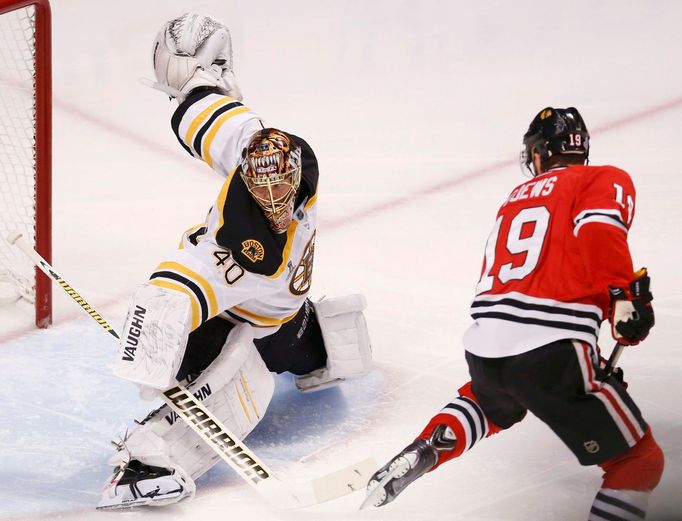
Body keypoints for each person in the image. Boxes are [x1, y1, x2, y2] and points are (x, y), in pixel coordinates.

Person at [97, 13, 371, 509]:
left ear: (295, 175)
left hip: (261, 318)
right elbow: (221, 123)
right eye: (260, 182)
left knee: (202, 358)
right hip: (284, 317)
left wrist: (155, 344)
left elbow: (175, 288)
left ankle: (152, 457)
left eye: (280, 183)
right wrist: (201, 89)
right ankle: (323, 350)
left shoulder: (267, 177)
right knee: (283, 342)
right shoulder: (274, 173)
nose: (273, 193)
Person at [365, 107, 663, 521]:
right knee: (638, 463)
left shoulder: (514, 199)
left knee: (495, 400)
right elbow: (599, 233)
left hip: (487, 348)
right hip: (554, 349)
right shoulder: (602, 178)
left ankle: (428, 449)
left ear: (540, 154)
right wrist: (623, 299)